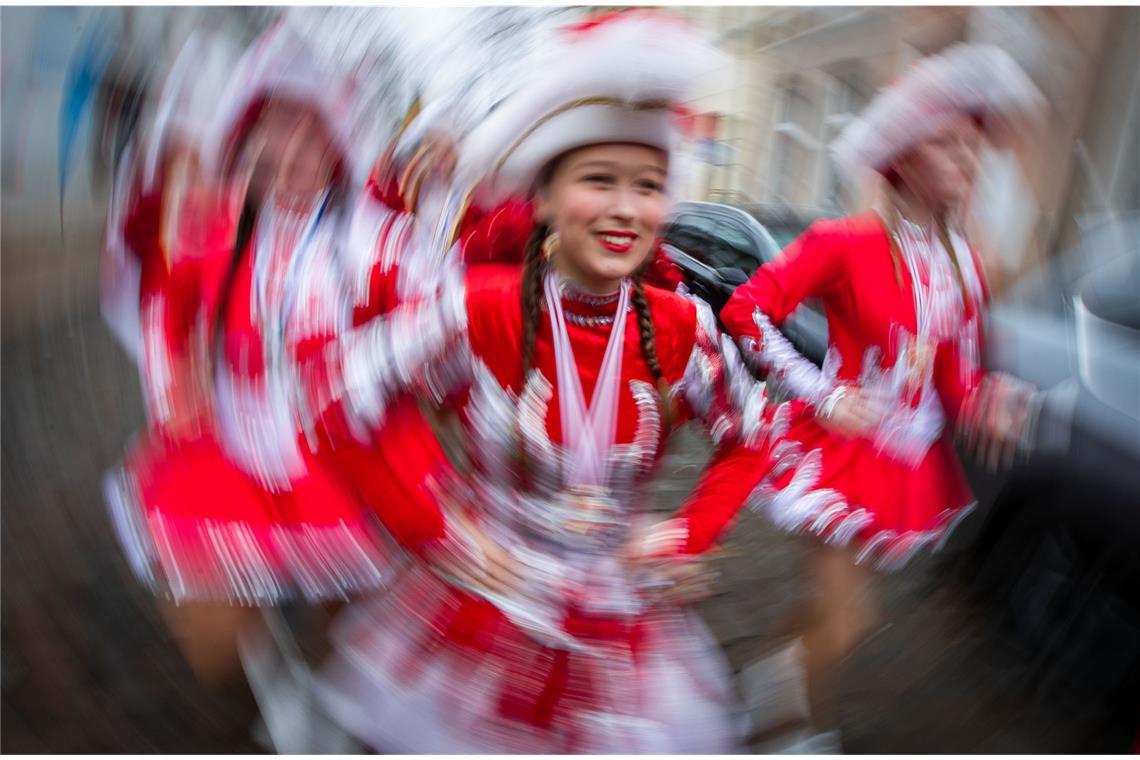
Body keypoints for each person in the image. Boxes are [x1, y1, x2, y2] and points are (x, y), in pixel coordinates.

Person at [298, 11, 777, 753]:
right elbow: (336, 398)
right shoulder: (476, 311)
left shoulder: (684, 330)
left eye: (647, 186)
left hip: (622, 640)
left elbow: (752, 437)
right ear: (546, 200)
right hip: (476, 616)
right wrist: (434, 522)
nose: (625, 208)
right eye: (598, 181)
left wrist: (687, 533)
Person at [719, 43, 1046, 743]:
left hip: (901, 467)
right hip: (836, 452)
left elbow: (953, 378)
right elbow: (745, 310)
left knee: (828, 616)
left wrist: (986, 400)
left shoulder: (966, 265)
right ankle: (788, 731)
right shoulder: (845, 242)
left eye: (974, 148)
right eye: (950, 145)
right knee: (848, 618)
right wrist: (821, 390)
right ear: (904, 155)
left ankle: (771, 695)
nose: (968, 161)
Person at [104, 23, 392, 687]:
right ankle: (265, 672)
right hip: (226, 452)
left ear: (335, 148)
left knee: (347, 644)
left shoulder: (368, 246)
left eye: (307, 131)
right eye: (274, 128)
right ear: (247, 142)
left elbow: (430, 324)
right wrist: (173, 379)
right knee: (217, 655)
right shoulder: (210, 234)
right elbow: (160, 300)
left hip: (337, 460)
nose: (289, 149)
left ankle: (312, 698)